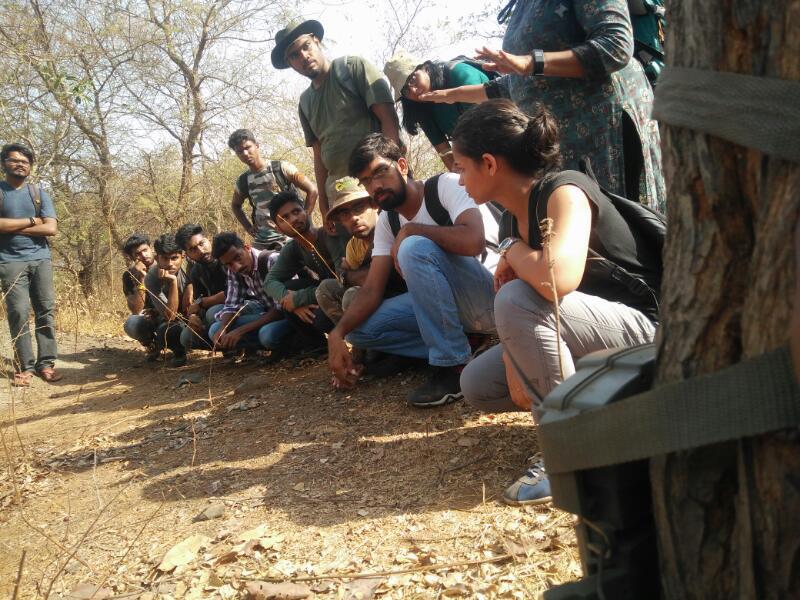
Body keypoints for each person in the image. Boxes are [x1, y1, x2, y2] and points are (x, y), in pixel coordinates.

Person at [452, 99, 660, 505]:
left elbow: (556, 278)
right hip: (596, 335)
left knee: (517, 295)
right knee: (477, 384)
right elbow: (516, 390)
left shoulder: (564, 189)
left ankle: (574, 454)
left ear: (490, 164)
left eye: (462, 168)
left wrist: (510, 250)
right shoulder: (513, 217)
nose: (459, 181)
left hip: (653, 333)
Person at [418, 0, 665, 212]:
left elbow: (616, 45)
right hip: (567, 148)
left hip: (606, 132)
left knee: (632, 233)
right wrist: (450, 95)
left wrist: (532, 63)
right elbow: (515, 84)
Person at [326, 133, 498, 407]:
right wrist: (337, 334)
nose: (376, 186)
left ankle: (453, 366)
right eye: (367, 181)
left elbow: (474, 241)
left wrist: (412, 230)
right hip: (452, 310)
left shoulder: (446, 186)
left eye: (380, 172)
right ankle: (465, 345)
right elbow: (371, 289)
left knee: (413, 246)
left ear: (402, 166)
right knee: (358, 331)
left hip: (490, 296)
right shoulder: (387, 221)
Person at [271, 18, 401, 220]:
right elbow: (319, 155)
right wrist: (323, 202)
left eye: (306, 47)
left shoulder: (353, 68)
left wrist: (391, 175)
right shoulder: (304, 102)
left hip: (377, 186)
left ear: (316, 41)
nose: (304, 56)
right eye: (294, 55)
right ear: (290, 64)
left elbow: (389, 120)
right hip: (341, 198)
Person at [0, 143, 61, 386]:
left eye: (25, 162)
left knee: (45, 310)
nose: (20, 164)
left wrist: (12, 225)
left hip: (41, 260)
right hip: (9, 261)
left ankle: (46, 363)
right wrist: (30, 221)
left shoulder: (38, 193)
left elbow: (51, 228)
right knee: (18, 313)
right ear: (4, 163)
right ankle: (25, 367)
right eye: (15, 160)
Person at [314, 176, 406, 324]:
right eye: (345, 214)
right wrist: (349, 276)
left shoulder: (392, 226)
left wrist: (347, 274)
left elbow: (370, 279)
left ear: (374, 205)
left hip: (404, 296)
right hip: (377, 298)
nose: (354, 218)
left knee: (353, 296)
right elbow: (355, 280)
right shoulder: (353, 246)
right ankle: (356, 338)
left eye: (359, 208)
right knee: (325, 289)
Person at [383, 50, 490, 171]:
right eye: (406, 90)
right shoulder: (422, 109)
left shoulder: (459, 73)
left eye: (412, 80)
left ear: (426, 68)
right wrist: (461, 178)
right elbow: (445, 152)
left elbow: (484, 129)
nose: (413, 91)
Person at [264, 190, 346, 347]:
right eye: (285, 218)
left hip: (346, 292)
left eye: (296, 211)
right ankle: (317, 347)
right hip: (323, 292)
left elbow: (343, 280)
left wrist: (299, 298)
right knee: (287, 288)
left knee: (320, 317)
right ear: (279, 229)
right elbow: (269, 282)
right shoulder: (293, 248)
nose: (293, 219)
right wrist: (291, 303)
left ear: (306, 211)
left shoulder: (329, 234)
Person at [228, 129, 317, 250]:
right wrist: (248, 227)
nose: (245, 153)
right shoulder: (243, 181)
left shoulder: (281, 168)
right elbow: (235, 205)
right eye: (239, 151)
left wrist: (304, 217)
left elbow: (312, 190)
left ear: (257, 145)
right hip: (263, 241)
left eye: (247, 147)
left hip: (291, 235)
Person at [208, 232, 291, 357]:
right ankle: (261, 347)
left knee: (267, 335)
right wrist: (223, 328)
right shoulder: (234, 271)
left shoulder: (272, 261)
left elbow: (282, 308)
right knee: (215, 330)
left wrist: (240, 331)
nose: (236, 266)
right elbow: (232, 304)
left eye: (238, 257)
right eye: (229, 264)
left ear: (247, 248)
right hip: (269, 313)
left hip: (291, 315)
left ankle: (296, 342)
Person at [174, 224, 226, 354]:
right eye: (193, 249)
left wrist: (202, 302)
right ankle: (227, 347)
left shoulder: (227, 256)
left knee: (212, 313)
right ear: (187, 254)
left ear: (208, 239)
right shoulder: (196, 271)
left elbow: (233, 293)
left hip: (244, 305)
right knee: (186, 337)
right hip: (220, 313)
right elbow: (197, 301)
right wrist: (192, 316)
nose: (201, 251)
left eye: (202, 243)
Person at [144, 234, 190, 367]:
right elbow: (170, 316)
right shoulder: (151, 278)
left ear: (183, 256)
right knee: (168, 330)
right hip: (175, 320)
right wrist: (173, 282)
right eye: (165, 258)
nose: (170, 264)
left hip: (193, 315)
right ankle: (179, 352)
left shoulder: (191, 265)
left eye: (174, 258)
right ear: (157, 258)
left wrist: (190, 286)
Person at [121, 234, 159, 360]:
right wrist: (141, 278)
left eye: (145, 250)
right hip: (148, 316)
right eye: (138, 254)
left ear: (151, 248)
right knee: (132, 323)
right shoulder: (129, 275)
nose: (144, 255)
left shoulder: (165, 262)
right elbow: (137, 310)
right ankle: (151, 345)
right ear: (131, 257)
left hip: (168, 311)